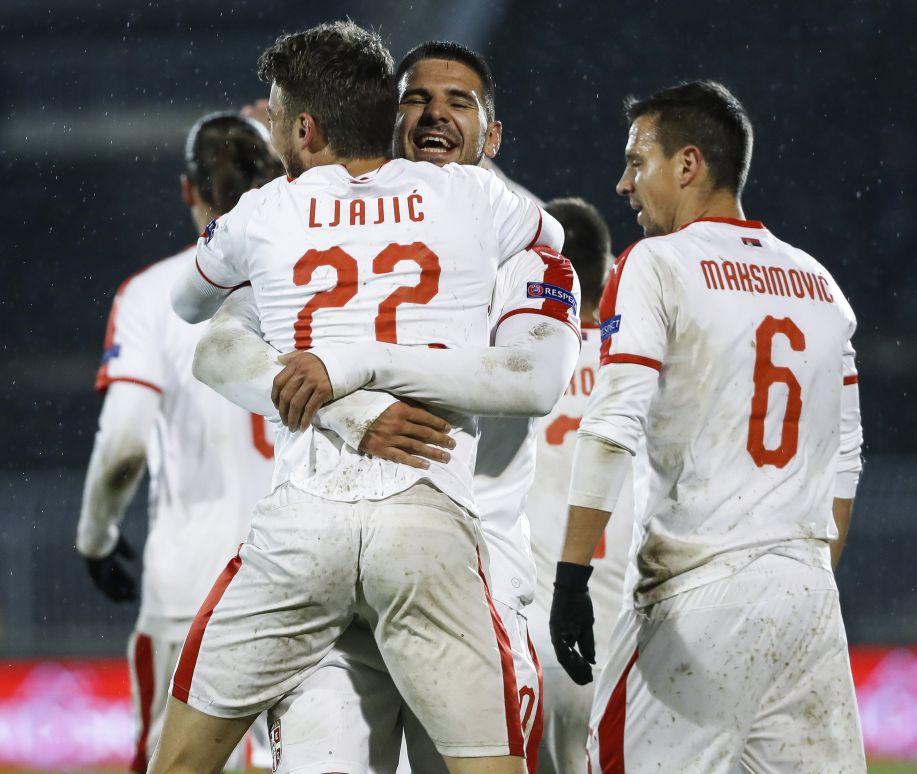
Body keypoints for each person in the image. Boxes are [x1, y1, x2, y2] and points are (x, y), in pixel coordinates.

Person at [151, 22, 568, 774]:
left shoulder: (288, 214)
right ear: (385, 115)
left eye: (460, 102)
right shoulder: (485, 211)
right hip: (416, 547)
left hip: (477, 566)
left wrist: (348, 366)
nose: (435, 114)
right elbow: (216, 348)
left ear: (495, 134)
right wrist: (350, 408)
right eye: (416, 99)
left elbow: (533, 381)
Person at [548, 81, 867, 772]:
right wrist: (794, 580)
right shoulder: (823, 287)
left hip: (699, 593)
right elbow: (847, 462)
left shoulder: (657, 263)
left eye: (637, 162)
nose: (624, 184)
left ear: (687, 164)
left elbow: (612, 424)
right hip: (809, 598)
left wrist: (570, 580)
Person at [76, 112, 282, 772]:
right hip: (299, 572)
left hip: (190, 584)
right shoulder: (316, 279)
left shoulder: (149, 295)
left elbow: (124, 445)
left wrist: (96, 540)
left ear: (188, 189)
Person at [520, 198, 633, 774]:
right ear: (608, 274)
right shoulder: (637, 371)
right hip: (626, 644)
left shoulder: (515, 366)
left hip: (532, 643)